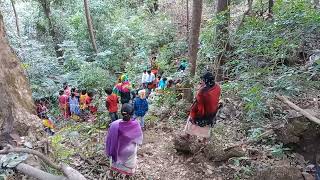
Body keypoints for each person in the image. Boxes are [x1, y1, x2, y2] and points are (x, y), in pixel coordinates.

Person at [105, 103, 143, 177]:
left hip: (116, 151)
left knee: (114, 155)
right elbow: (139, 140)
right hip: (129, 152)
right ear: (132, 114)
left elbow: (109, 139)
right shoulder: (136, 125)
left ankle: (111, 173)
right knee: (133, 149)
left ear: (121, 113)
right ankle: (128, 175)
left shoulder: (114, 124)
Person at [183, 72, 221, 143]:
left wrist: (195, 112)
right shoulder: (217, 87)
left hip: (202, 112)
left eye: (203, 80)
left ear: (206, 80)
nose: (201, 82)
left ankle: (187, 136)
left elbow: (198, 102)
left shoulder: (203, 91)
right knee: (207, 127)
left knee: (191, 120)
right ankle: (204, 141)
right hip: (212, 112)